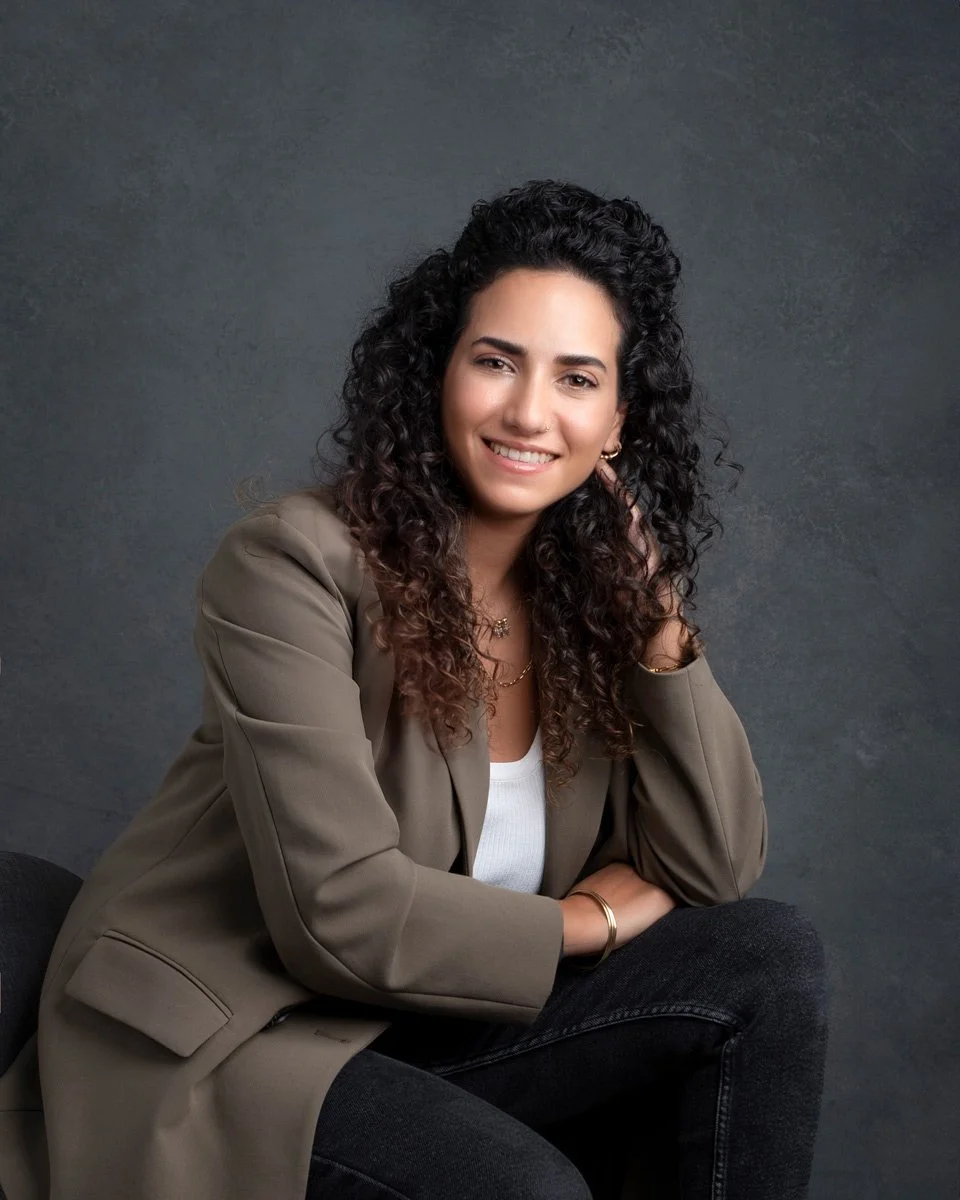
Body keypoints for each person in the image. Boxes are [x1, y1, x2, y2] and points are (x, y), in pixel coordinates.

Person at [0, 179, 828, 1200]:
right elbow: (339, 912)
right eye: (496, 362)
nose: (529, 411)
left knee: (767, 958)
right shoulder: (293, 565)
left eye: (577, 379)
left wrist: (661, 632)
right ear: (440, 372)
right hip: (237, 1034)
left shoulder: (589, 602)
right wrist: (588, 923)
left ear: (617, 421)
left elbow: (713, 865)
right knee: (521, 1188)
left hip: (426, 1023)